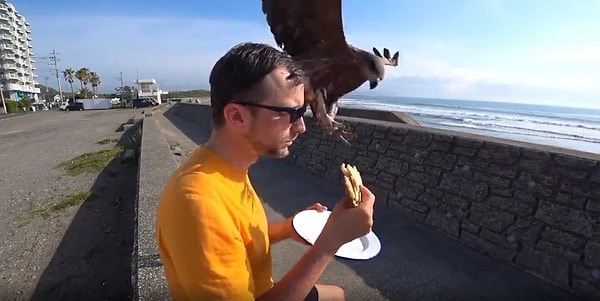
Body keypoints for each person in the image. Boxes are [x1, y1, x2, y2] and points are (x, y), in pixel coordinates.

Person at [155, 42, 376, 301]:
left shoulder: (226, 168)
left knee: (336, 295)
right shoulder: (198, 204)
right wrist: (330, 242)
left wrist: (289, 228)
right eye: (292, 113)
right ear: (237, 116)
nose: (302, 127)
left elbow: (238, 240)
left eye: (303, 110)